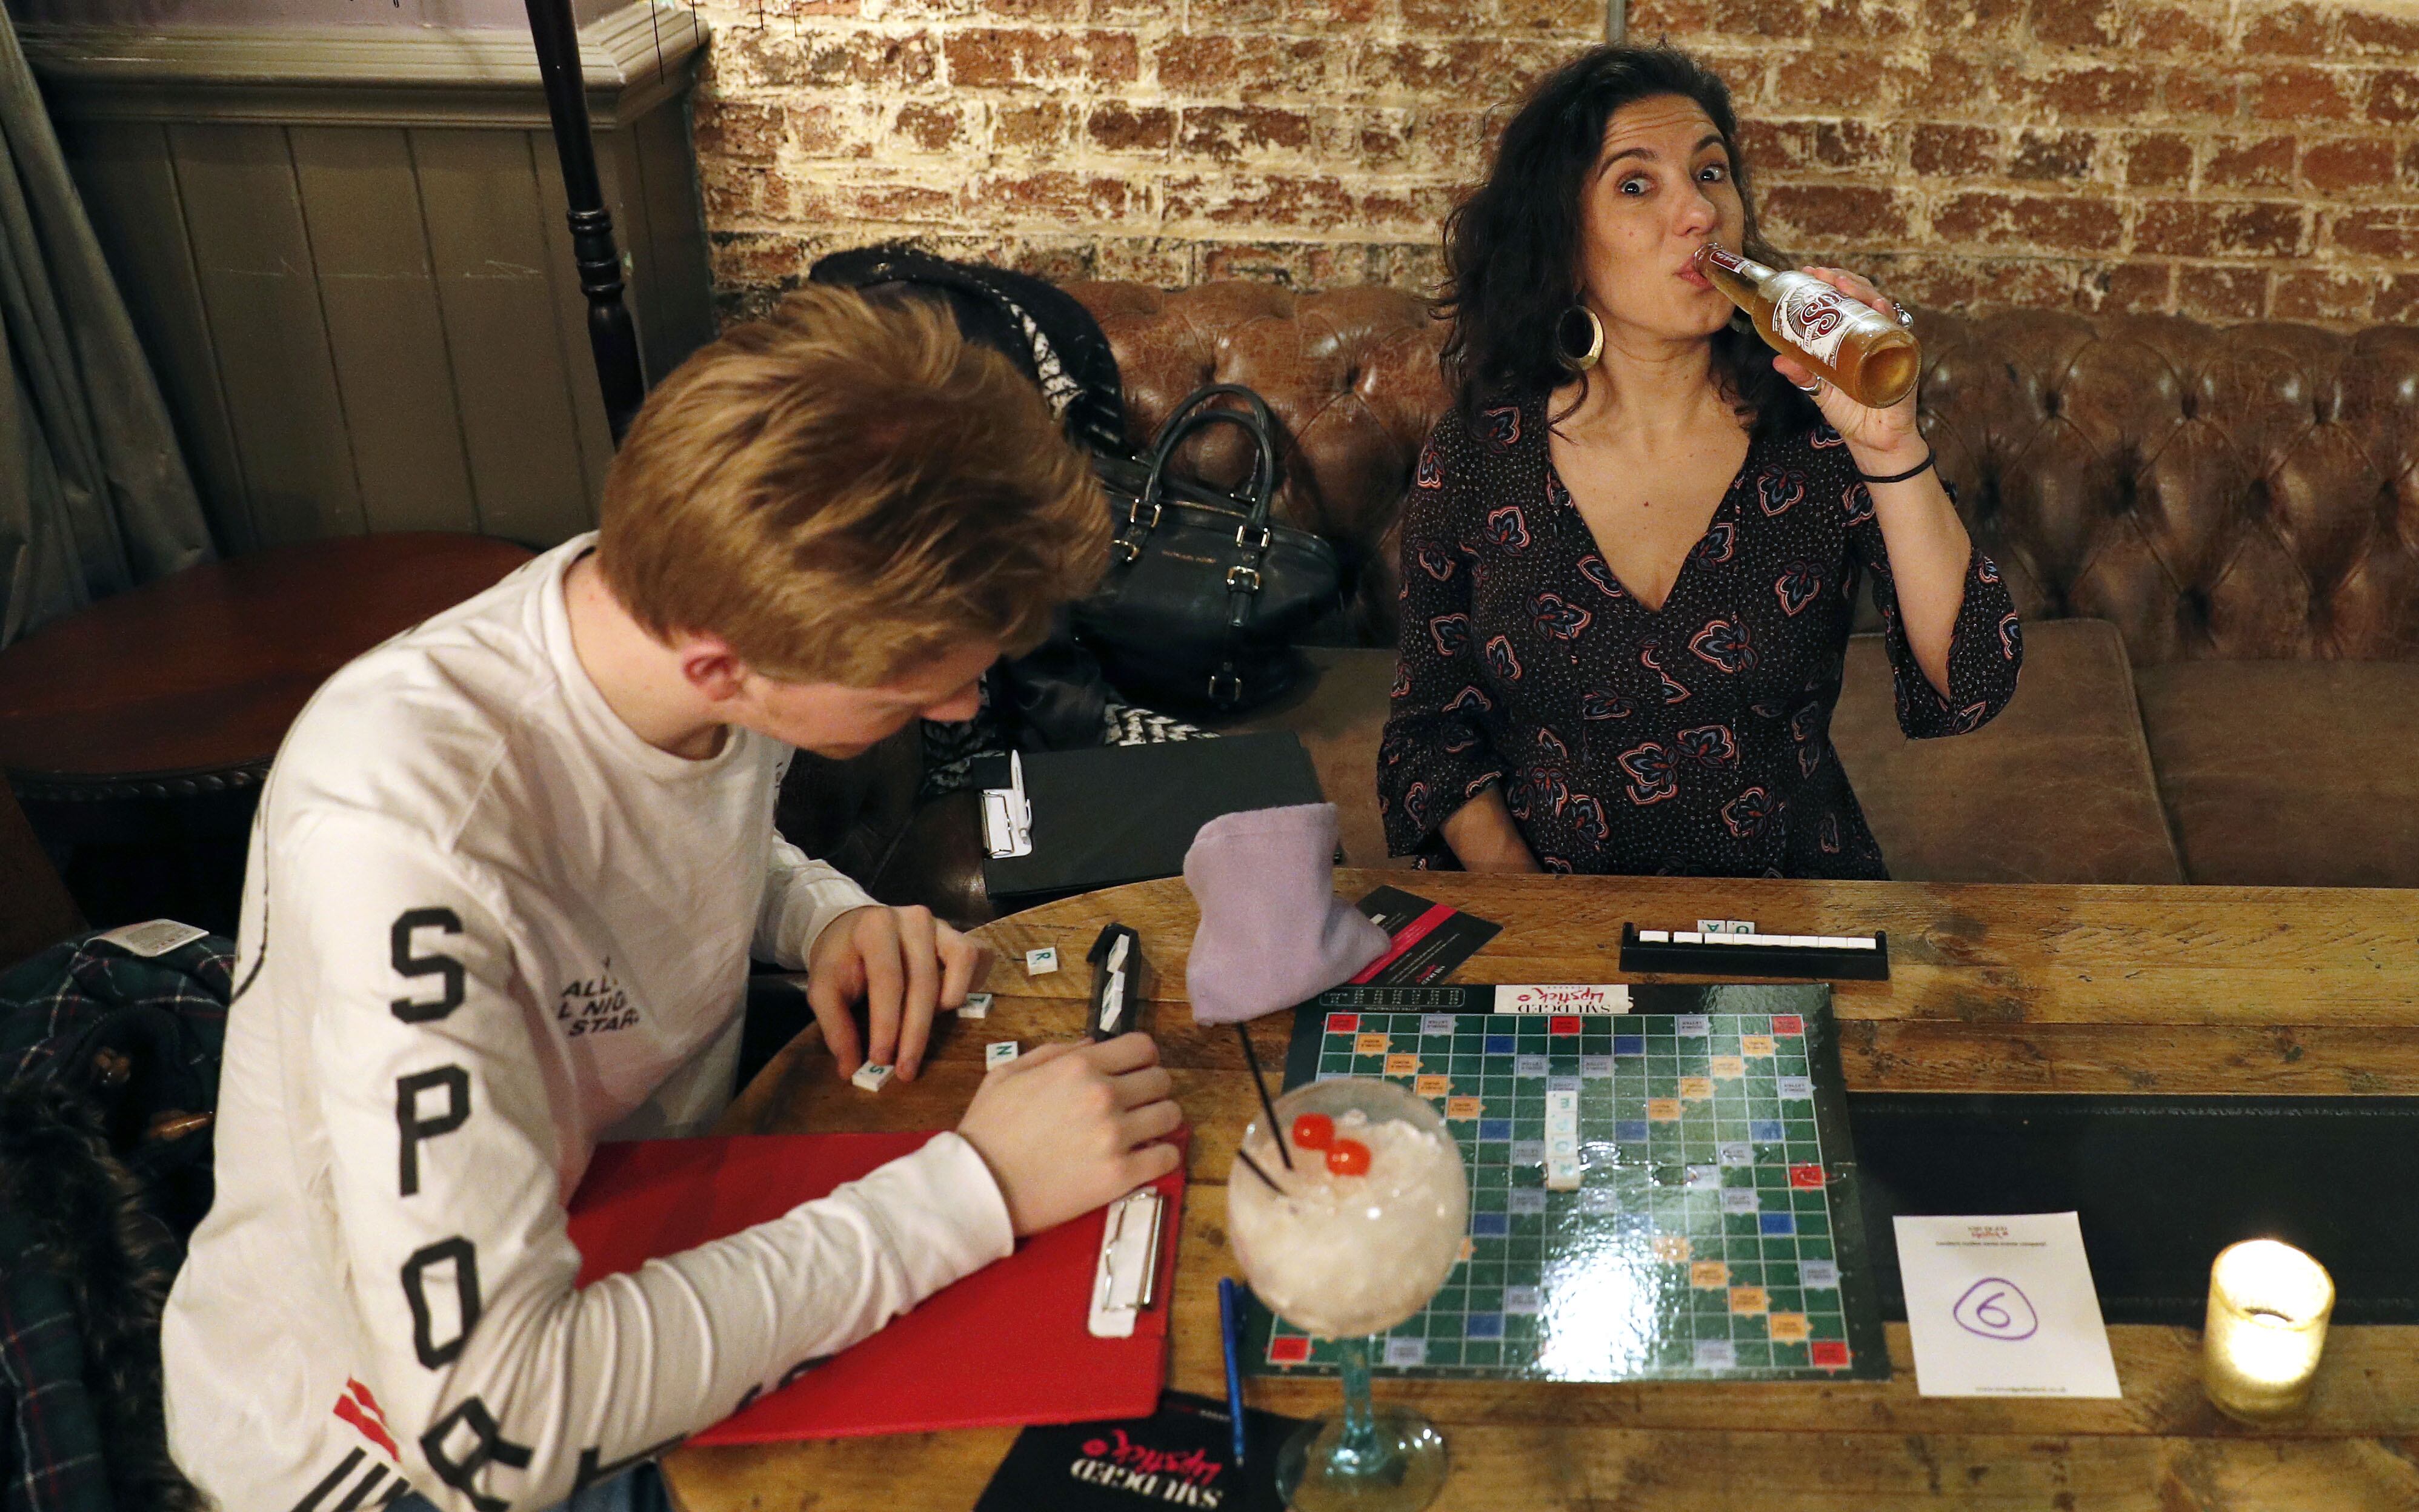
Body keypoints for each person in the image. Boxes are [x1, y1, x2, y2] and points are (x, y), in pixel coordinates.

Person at [160, 287, 1185, 1512]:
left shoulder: (665, 619)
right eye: (915, 688)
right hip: (373, 1449)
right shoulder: (404, 835)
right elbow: (497, 1432)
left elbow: (656, 836)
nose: (960, 709)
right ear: (721, 662)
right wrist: (975, 1191)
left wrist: (823, 916)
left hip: (644, 1228)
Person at [1379, 44, 2023, 878]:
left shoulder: (1818, 434)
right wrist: (1532, 910)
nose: (1698, 214)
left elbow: (1969, 682)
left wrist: (1890, 446)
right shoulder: (1479, 451)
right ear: (1566, 241)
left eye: (1712, 174)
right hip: (1547, 932)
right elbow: (1428, 729)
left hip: (1787, 916)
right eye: (1637, 185)